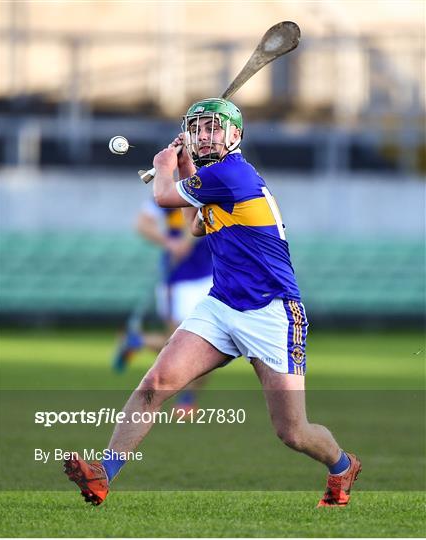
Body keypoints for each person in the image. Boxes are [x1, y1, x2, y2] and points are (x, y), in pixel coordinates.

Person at [64, 98, 361, 507]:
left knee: (293, 432)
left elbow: (165, 197)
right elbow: (194, 224)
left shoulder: (232, 174)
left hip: (272, 311)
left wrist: (164, 164)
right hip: (221, 305)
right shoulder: (213, 180)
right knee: (154, 384)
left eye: (214, 128)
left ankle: (343, 466)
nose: (204, 136)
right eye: (197, 129)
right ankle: (103, 474)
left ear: (235, 136)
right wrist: (186, 167)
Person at [112, 200, 213, 412]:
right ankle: (186, 398)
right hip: (176, 280)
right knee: (177, 344)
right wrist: (170, 242)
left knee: (210, 342)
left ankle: (187, 398)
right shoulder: (165, 194)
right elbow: (142, 224)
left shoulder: (206, 186)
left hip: (210, 276)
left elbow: (204, 218)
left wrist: (188, 237)